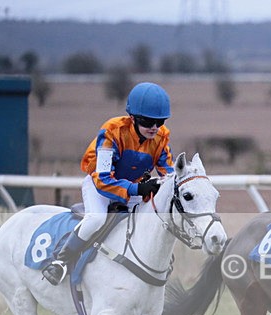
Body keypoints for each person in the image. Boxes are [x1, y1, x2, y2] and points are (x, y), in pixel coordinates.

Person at [42, 82, 174, 285]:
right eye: (148, 121)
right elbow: (103, 178)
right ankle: (61, 261)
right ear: (133, 118)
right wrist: (137, 189)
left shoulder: (161, 137)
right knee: (96, 219)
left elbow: (170, 174)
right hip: (100, 186)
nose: (155, 127)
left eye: (160, 121)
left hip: (133, 188)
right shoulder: (112, 131)